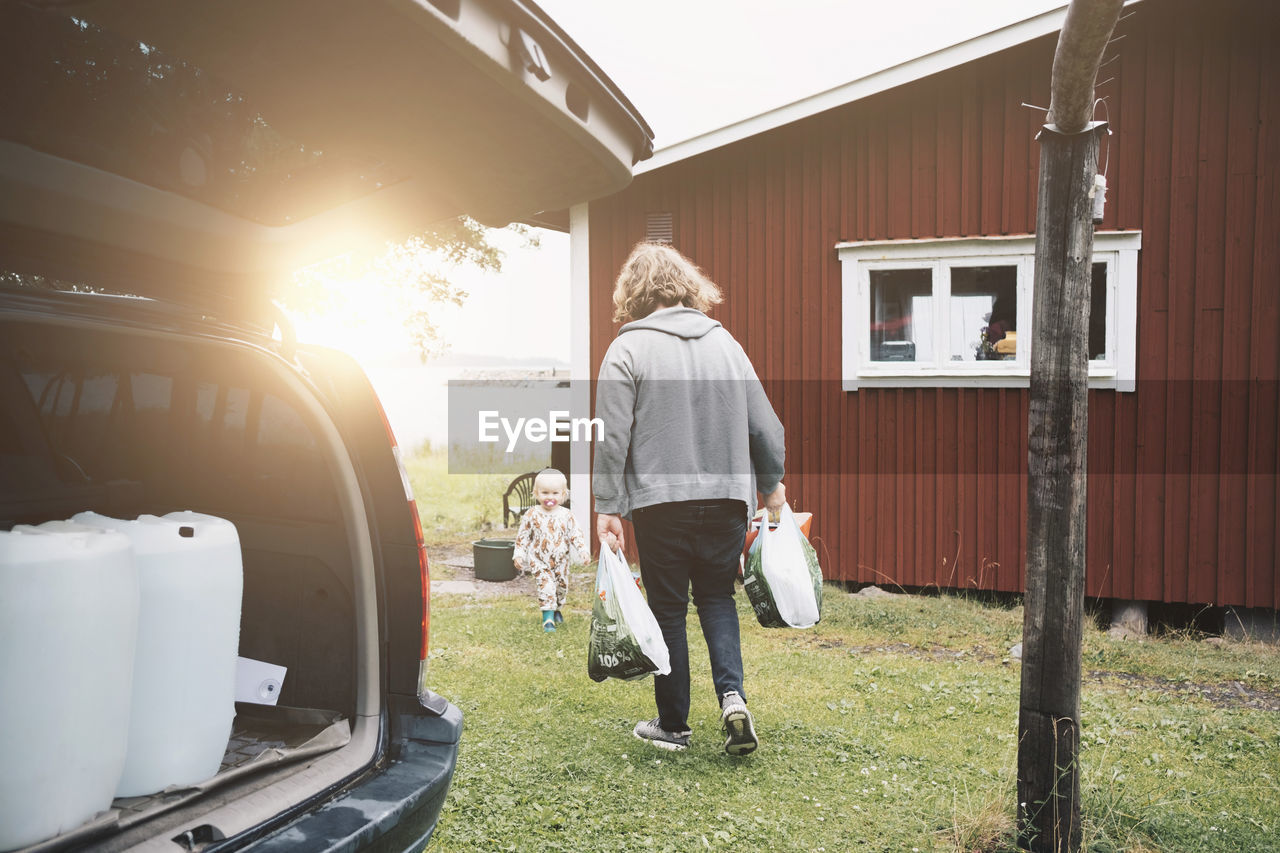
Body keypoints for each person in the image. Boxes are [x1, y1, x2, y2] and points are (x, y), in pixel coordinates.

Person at [593, 242, 786, 756]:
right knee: (719, 599)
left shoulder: (626, 350)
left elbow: (611, 437)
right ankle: (733, 700)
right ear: (685, 284)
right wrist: (771, 484)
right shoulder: (727, 344)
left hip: (661, 503)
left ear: (634, 290)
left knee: (668, 609)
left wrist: (608, 507)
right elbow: (764, 424)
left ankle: (673, 725)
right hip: (727, 500)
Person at [513, 468, 588, 632]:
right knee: (546, 586)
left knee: (561, 587)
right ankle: (547, 619)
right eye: (545, 492)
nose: (550, 497)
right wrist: (519, 554)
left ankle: (557, 610)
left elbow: (576, 533)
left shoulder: (567, 515)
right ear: (536, 493)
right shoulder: (532, 514)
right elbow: (523, 536)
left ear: (563, 495)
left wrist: (582, 550)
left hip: (562, 560)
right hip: (539, 559)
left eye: (555, 493)